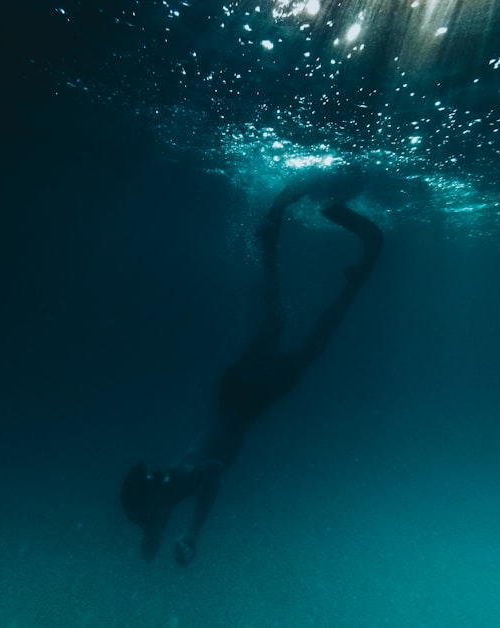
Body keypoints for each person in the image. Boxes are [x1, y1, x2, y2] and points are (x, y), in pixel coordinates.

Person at [120, 181, 383, 565]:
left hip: (247, 403)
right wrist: (154, 535)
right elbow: (159, 503)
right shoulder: (164, 486)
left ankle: (344, 281)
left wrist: (191, 532)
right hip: (232, 392)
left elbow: (209, 473)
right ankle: (268, 237)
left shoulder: (174, 483)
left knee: (309, 348)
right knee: (274, 324)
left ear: (155, 504)